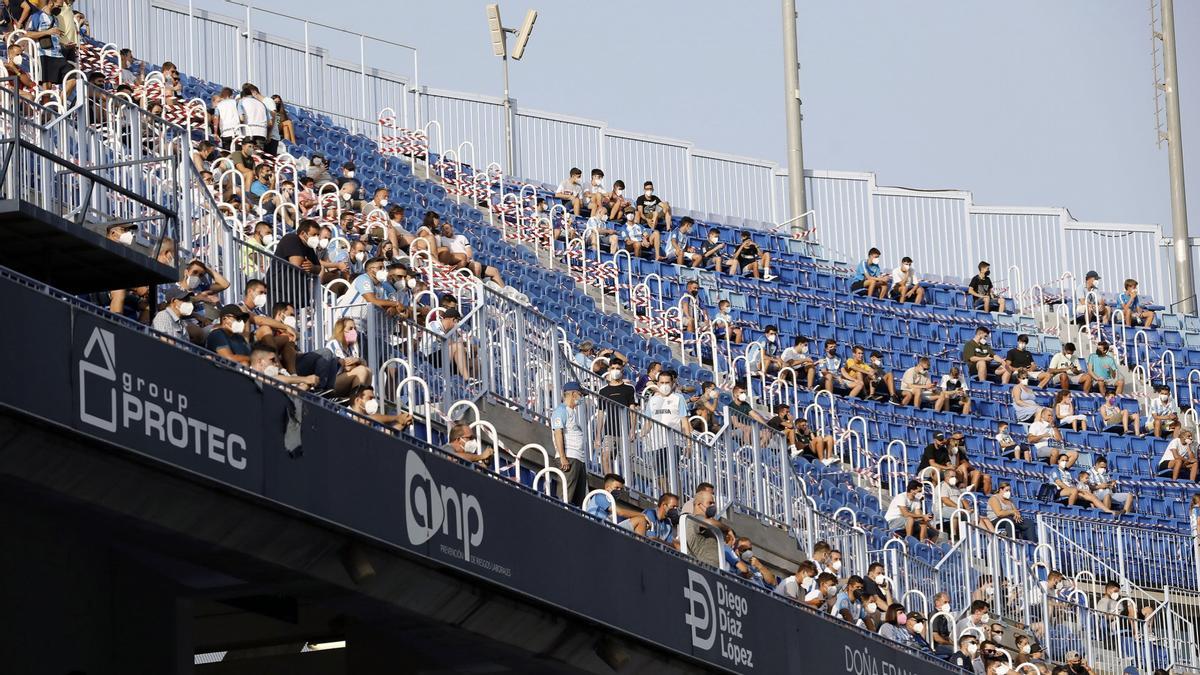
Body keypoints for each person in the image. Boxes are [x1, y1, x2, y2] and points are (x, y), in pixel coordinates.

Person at [550, 382, 589, 505]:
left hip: (578, 459)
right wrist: (563, 457)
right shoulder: (561, 411)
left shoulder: (572, 412)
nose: (581, 397)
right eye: (580, 394)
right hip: (569, 458)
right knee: (565, 497)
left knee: (579, 500)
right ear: (572, 394)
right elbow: (558, 433)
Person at [325, 317, 372, 395]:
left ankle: (363, 399)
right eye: (350, 328)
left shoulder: (352, 347)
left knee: (368, 371)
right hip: (331, 382)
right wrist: (358, 362)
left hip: (344, 378)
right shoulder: (334, 343)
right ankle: (355, 402)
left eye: (355, 328)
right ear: (341, 331)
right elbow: (347, 367)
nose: (354, 331)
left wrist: (358, 360)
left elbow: (363, 363)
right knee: (362, 370)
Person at [683, 487, 721, 568]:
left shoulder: (707, 524)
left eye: (713, 503)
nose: (713, 506)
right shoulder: (696, 518)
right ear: (699, 505)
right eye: (710, 503)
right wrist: (728, 529)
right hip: (703, 568)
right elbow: (709, 523)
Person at [348, 384, 412, 430]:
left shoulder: (374, 422)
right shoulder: (343, 414)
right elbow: (368, 419)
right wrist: (397, 418)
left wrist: (403, 422)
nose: (373, 401)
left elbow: (386, 433)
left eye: (373, 398)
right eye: (370, 398)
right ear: (357, 400)